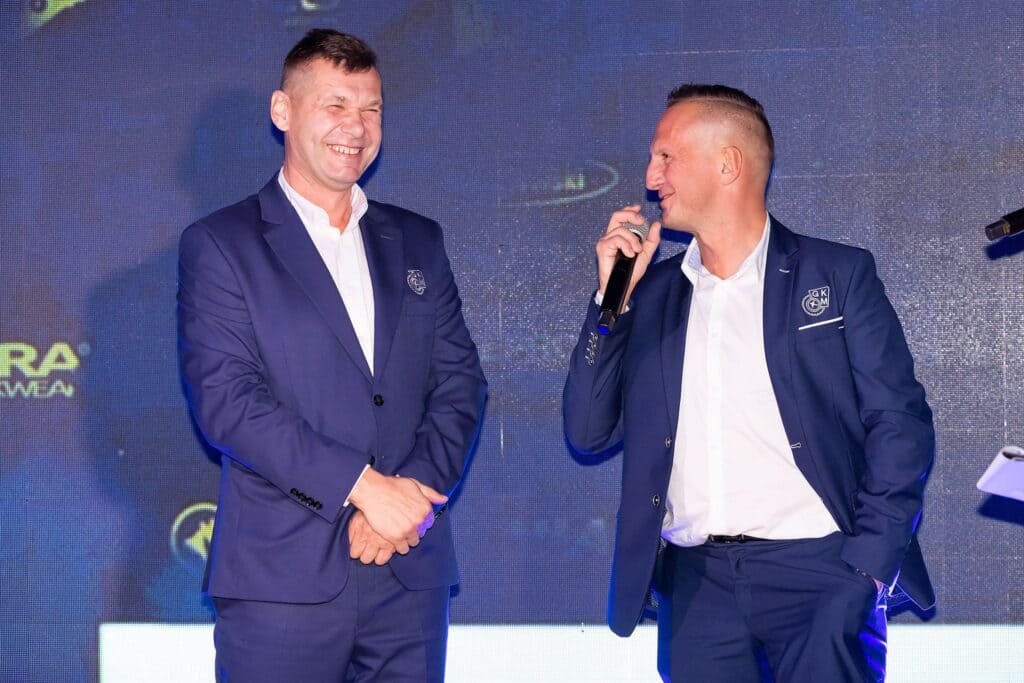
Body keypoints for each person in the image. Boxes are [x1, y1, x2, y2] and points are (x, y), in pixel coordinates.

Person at [563, 84, 935, 682]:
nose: (651, 176)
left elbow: (900, 424)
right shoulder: (651, 295)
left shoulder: (837, 274)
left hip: (821, 577)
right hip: (696, 589)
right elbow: (587, 431)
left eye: (666, 156)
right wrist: (612, 300)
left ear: (728, 163)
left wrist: (866, 568)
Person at [177, 28, 486, 682]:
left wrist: (407, 502)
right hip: (280, 583)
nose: (357, 126)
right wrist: (366, 489)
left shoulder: (419, 240)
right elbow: (228, 404)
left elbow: (461, 385)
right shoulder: (223, 244)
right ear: (282, 111)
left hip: (408, 574)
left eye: (372, 108)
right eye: (336, 105)